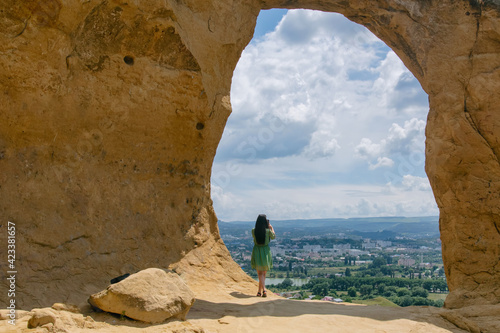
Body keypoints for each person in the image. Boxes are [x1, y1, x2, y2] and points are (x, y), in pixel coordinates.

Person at [251, 214, 275, 297]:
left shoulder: (253, 230)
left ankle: (259, 291)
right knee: (263, 273)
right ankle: (264, 290)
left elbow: (255, 238)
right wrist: (271, 228)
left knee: (260, 274)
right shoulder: (268, 231)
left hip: (257, 251)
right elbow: (273, 237)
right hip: (265, 251)